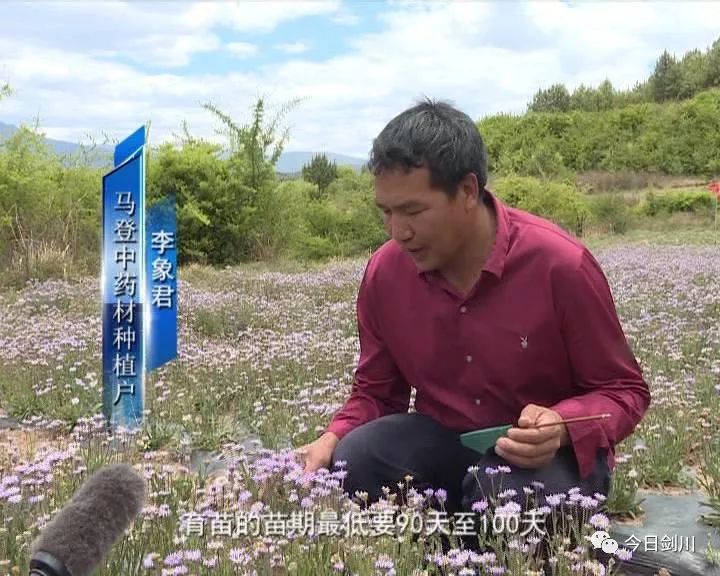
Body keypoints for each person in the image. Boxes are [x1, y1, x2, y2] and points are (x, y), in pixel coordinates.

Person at [297, 98, 650, 521]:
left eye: (413, 211)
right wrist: (333, 436)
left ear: (467, 190)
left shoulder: (559, 265)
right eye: (387, 212)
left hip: (545, 460)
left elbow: (625, 391)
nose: (399, 232)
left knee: (514, 496)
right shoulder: (385, 274)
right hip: (447, 443)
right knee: (356, 458)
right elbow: (376, 392)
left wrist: (561, 424)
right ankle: (447, 551)